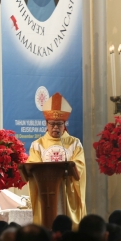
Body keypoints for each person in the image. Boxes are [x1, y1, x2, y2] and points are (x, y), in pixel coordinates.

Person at [27, 93, 86, 225]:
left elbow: (79, 165)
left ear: (64, 124)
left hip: (66, 188)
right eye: (52, 124)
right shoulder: (38, 144)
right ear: (46, 124)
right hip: (45, 188)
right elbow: (32, 165)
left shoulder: (74, 143)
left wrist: (68, 168)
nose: (55, 127)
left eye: (59, 124)